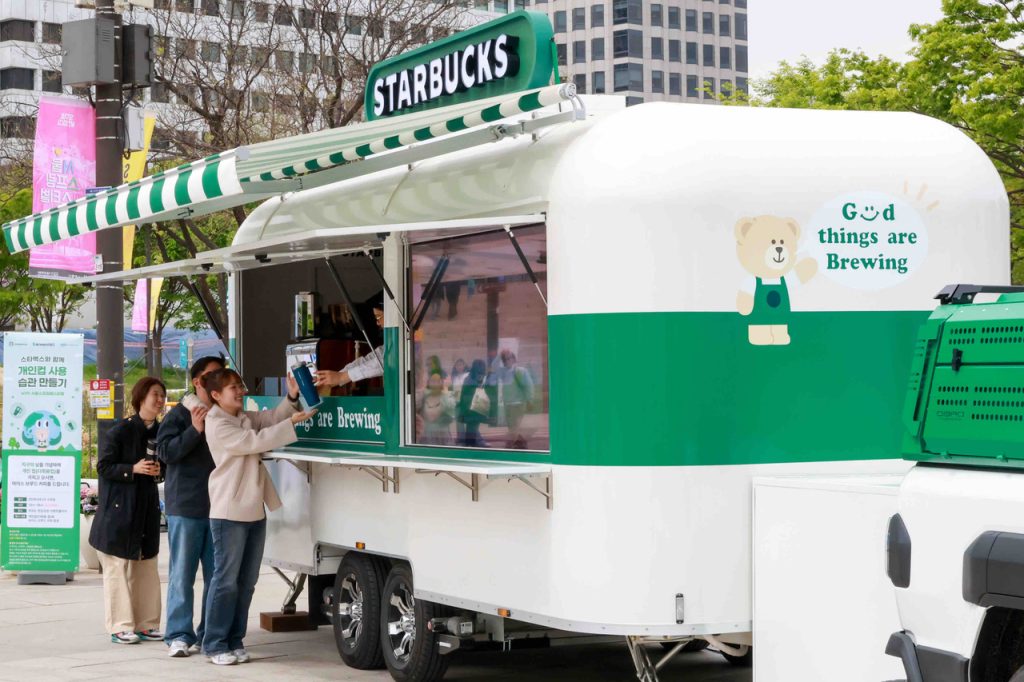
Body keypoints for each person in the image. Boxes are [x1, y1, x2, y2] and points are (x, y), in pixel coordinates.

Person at [201, 368, 315, 666]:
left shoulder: (240, 417)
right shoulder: (217, 423)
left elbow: (267, 421)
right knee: (226, 580)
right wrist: (291, 423)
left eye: (239, 385)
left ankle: (235, 639)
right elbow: (255, 441)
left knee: (247, 580)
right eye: (231, 388)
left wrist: (291, 398)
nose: (239, 391)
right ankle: (214, 643)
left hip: (253, 508)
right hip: (230, 510)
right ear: (215, 395)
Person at [89, 376, 167, 645]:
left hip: (145, 511)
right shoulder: (121, 430)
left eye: (162, 395)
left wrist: (159, 472)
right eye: (155, 395)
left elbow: (165, 466)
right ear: (140, 398)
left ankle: (147, 623)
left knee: (146, 566)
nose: (160, 400)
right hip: (118, 512)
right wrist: (132, 469)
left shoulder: (162, 432)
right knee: (118, 568)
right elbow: (103, 467)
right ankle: (121, 626)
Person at [156, 355, 224, 658]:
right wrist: (194, 430)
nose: (218, 381)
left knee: (217, 576)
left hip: (221, 507)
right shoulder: (180, 415)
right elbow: (166, 453)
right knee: (182, 575)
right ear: (197, 382)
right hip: (185, 506)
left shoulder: (225, 413)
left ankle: (209, 633)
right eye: (212, 376)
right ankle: (178, 634)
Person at [316, 304, 384, 389]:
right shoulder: (388, 346)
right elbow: (370, 359)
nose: (377, 323)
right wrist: (334, 378)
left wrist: (342, 376)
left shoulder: (401, 340)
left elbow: (386, 362)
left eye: (378, 317)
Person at [500, 350, 534, 449]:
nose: (507, 361)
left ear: (514, 359)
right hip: (508, 404)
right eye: (505, 359)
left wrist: (530, 400)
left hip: (518, 404)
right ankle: (521, 444)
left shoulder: (520, 371)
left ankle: (509, 445)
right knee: (512, 427)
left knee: (514, 428)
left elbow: (529, 386)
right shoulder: (504, 373)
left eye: (509, 358)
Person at [457, 360, 489, 447]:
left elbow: (463, 394)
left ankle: (471, 444)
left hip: (468, 407)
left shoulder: (468, 378)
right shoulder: (479, 378)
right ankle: (472, 444)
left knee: (471, 428)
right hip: (475, 407)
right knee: (473, 428)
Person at [419, 373, 455, 445]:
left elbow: (451, 413)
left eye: (438, 381)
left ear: (441, 382)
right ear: (428, 382)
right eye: (432, 381)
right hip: (427, 434)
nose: (435, 384)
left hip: (442, 434)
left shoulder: (446, 397)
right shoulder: (424, 396)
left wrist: (446, 390)